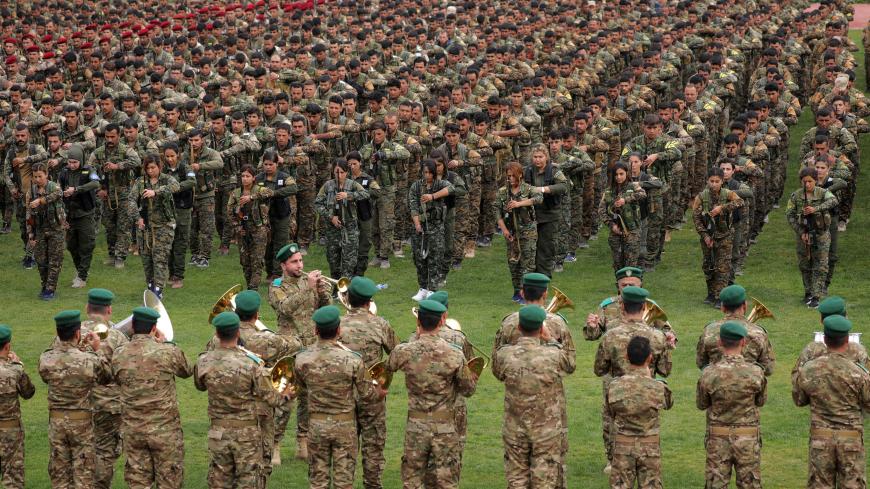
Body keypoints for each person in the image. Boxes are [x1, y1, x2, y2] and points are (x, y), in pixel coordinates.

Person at [493, 272, 576, 487]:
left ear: (522, 293)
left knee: (517, 477)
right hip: (548, 413)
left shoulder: (508, 324)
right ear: (545, 294)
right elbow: (570, 364)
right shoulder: (557, 324)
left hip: (515, 413)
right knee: (548, 473)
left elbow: (497, 369)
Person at [204, 290, 300, 475]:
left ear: (235, 312)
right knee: (260, 464)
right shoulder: (269, 340)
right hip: (259, 409)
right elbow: (296, 344)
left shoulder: (216, 340)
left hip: (225, 406)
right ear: (256, 315)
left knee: (224, 468)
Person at [387, 299, 478, 488]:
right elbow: (468, 390)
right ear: (442, 321)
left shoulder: (403, 351)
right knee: (446, 482)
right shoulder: (454, 355)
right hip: (444, 425)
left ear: (418, 321)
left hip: (416, 424)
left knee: (412, 481)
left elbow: (387, 367)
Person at [296, 305, 384, 489]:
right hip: (344, 426)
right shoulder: (352, 360)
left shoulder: (302, 359)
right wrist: (379, 393)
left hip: (317, 425)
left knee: (318, 481)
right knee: (344, 482)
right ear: (339, 330)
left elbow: (302, 389)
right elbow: (366, 394)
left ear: (315, 330)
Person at [112, 306, 193, 489]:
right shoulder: (166, 352)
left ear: (132, 326)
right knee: (169, 481)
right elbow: (187, 370)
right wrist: (166, 343)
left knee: (138, 482)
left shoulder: (118, 353)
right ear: (154, 328)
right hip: (165, 431)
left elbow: (116, 377)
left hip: (134, 430)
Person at [594, 286, 672, 474]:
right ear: (644, 307)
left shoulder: (610, 336)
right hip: (648, 392)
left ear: (622, 307)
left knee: (618, 429)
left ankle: (617, 464)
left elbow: (599, 369)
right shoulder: (657, 336)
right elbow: (665, 370)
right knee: (648, 431)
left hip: (618, 391)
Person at [268, 243, 332, 460]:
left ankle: (302, 441)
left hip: (311, 346)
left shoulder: (309, 282)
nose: (299, 265)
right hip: (289, 347)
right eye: (294, 262)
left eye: (300, 261)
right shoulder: (277, 286)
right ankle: (275, 443)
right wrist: (308, 288)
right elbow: (285, 308)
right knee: (286, 399)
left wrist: (322, 292)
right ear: (284, 265)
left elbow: (326, 311)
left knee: (307, 397)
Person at [792, 315, 870, 489]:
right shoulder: (859, 372)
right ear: (848, 340)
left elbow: (799, 400)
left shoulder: (809, 369)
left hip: (821, 438)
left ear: (825, 339)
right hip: (851, 440)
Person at [38, 310, 111, 489]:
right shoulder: (89, 359)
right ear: (78, 333)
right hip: (82, 423)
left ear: (58, 333)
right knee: (84, 474)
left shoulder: (45, 358)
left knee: (60, 473)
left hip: (56, 422)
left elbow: (46, 376)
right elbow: (106, 377)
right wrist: (96, 350)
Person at [336, 277, 398, 489]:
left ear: (348, 299)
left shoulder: (337, 325)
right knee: (373, 447)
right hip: (373, 394)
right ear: (368, 300)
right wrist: (385, 372)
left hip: (344, 395)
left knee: (345, 448)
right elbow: (396, 353)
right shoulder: (379, 324)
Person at [696, 321, 767, 489]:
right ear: (743, 342)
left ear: (720, 342)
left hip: (718, 438)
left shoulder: (708, 373)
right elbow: (761, 401)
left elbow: (701, 404)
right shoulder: (756, 372)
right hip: (748, 438)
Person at [605, 336, 673, 488]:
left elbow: (611, 413)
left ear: (627, 357)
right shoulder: (659, 388)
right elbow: (668, 404)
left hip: (623, 445)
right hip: (650, 447)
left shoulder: (614, 386)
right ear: (650, 358)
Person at [88, 123, 141, 269]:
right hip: (106, 195)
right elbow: (89, 170)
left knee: (123, 226)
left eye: (113, 137)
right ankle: (112, 254)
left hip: (124, 194)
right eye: (107, 137)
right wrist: (99, 188)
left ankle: (120, 256)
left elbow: (137, 161)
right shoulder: (98, 152)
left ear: (119, 136)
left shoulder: (126, 150)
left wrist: (118, 166)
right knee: (109, 226)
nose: (110, 140)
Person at [696, 284, 776, 377]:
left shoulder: (709, 330)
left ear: (722, 308)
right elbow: (768, 369)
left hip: (714, 385)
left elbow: (701, 363)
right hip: (750, 386)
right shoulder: (759, 333)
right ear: (745, 305)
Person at [692, 167, 744, 307]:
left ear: (722, 181)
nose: (714, 184)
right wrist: (705, 236)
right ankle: (711, 293)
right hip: (707, 236)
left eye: (717, 181)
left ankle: (720, 296)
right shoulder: (701, 197)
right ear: (707, 181)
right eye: (711, 181)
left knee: (723, 267)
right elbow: (696, 218)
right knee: (708, 265)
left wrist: (723, 208)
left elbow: (740, 202)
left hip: (724, 236)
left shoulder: (728, 194)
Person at [785, 167, 837, 308]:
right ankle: (808, 292)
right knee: (804, 264)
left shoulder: (823, 193)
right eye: (804, 181)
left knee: (820, 265)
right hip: (804, 235)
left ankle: (816, 295)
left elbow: (833, 201)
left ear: (816, 180)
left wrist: (816, 209)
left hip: (821, 234)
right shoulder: (796, 196)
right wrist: (800, 232)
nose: (807, 184)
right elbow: (789, 214)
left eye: (810, 181)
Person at [130, 154, 180, 297]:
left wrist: (156, 192)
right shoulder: (141, 182)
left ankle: (158, 289)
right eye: (148, 168)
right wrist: (137, 217)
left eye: (153, 167)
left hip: (163, 226)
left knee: (160, 259)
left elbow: (176, 186)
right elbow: (131, 200)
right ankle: (150, 285)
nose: (150, 171)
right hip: (145, 227)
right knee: (146, 259)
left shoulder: (167, 179)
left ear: (160, 166)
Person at [315, 158, 370, 280]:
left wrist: (349, 195)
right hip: (332, 230)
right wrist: (330, 217)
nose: (339, 175)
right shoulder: (327, 186)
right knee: (333, 261)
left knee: (349, 261)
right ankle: (335, 288)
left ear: (346, 172)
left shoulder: (352, 184)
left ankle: (346, 289)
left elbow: (366, 194)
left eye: (342, 172)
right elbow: (318, 203)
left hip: (350, 229)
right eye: (336, 172)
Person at [495, 161, 542, 303]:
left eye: (512, 176)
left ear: (520, 175)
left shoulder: (528, 189)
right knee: (513, 262)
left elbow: (539, 198)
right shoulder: (503, 192)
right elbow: (496, 212)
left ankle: (525, 292)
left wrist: (519, 203)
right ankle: (516, 290)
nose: (510, 179)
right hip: (511, 233)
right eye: (508, 176)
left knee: (527, 263)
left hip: (527, 233)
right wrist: (503, 229)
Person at [408, 159, 454, 300]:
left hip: (436, 227)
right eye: (425, 172)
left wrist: (432, 196)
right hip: (420, 228)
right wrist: (417, 224)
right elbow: (413, 206)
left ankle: (432, 289)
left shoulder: (439, 184)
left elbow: (452, 188)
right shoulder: (416, 186)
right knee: (419, 258)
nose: (427, 175)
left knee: (435, 257)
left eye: (430, 172)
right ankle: (422, 288)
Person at [57, 144, 99, 288]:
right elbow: (58, 191)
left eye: (75, 162)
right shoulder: (63, 173)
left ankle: (82, 276)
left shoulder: (89, 170)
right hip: (70, 214)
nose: (72, 165)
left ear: (81, 160)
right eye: (69, 162)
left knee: (87, 245)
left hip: (85, 214)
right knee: (71, 245)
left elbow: (96, 183)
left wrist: (77, 189)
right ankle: (80, 269)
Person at [523, 144, 568, 277]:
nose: (538, 160)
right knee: (530, 248)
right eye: (535, 157)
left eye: (541, 157)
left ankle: (543, 277)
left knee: (546, 247)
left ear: (546, 157)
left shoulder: (554, 170)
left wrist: (543, 189)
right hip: (532, 215)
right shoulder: (529, 170)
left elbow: (563, 186)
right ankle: (531, 277)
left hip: (549, 215)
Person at [792, 296, 868, 373]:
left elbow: (796, 376)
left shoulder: (811, 350)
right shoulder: (858, 351)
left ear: (821, 320)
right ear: (845, 317)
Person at [0, 324, 36, 489]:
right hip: (10, 432)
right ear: (7, 346)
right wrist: (18, 365)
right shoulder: (14, 370)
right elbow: (28, 393)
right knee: (13, 478)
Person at [228, 164, 274, 290]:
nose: (244, 179)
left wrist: (251, 197)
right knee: (245, 261)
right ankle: (249, 285)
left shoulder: (259, 190)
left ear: (254, 178)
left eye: (248, 176)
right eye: (242, 176)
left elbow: (270, 193)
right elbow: (230, 213)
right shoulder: (236, 193)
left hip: (258, 230)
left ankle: (253, 288)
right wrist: (237, 227)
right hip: (242, 231)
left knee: (257, 261)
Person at [183, 128, 224, 268]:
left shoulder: (210, 153)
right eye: (191, 140)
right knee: (192, 228)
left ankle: (205, 256)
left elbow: (219, 163)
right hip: (191, 196)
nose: (193, 143)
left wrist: (200, 166)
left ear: (202, 140)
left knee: (207, 228)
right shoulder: (186, 154)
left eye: (196, 140)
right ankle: (195, 254)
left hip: (206, 195)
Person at [25, 163, 66, 300]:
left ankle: (50, 289)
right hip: (40, 230)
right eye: (35, 176)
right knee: (41, 260)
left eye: (40, 176)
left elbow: (59, 194)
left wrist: (41, 200)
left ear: (46, 175)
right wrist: (31, 235)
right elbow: (29, 216)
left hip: (56, 229)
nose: (37, 179)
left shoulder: (54, 187)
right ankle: (44, 285)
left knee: (55, 260)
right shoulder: (30, 192)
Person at [257, 149, 298, 280]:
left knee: (280, 244)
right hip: (264, 217)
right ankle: (269, 271)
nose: (268, 167)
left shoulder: (284, 177)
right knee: (267, 245)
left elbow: (293, 188)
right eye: (266, 164)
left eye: (271, 164)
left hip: (281, 215)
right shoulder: (258, 178)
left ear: (277, 164)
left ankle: (276, 272)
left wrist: (274, 193)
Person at [600, 161, 646, 272]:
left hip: (632, 231)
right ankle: (619, 288)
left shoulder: (633, 186)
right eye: (616, 174)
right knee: (617, 265)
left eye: (621, 174)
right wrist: (611, 225)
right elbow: (601, 211)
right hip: (616, 232)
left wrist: (626, 200)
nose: (618, 177)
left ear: (626, 173)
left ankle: (632, 287)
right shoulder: (608, 191)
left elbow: (643, 194)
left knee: (630, 266)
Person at [162, 143, 195, 289]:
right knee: (168, 243)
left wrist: (176, 187)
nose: (170, 159)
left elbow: (192, 181)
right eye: (167, 156)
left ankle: (178, 276)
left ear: (178, 155)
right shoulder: (162, 169)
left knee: (180, 244)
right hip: (167, 210)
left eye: (172, 156)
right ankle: (171, 274)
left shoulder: (185, 168)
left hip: (183, 210)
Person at [347, 151, 381, 277]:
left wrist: (360, 194)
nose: (352, 166)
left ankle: (359, 274)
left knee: (364, 245)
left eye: (354, 163)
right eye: (349, 164)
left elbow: (377, 191)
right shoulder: (346, 179)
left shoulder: (366, 178)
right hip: (349, 217)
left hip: (364, 215)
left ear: (360, 163)